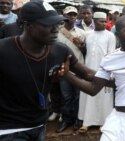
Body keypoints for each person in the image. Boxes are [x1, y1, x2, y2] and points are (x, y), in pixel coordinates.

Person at [0, 1, 95, 140]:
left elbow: (88, 75)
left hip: (39, 126)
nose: (56, 29)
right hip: (9, 130)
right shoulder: (3, 50)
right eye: (48, 24)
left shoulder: (59, 50)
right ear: (28, 25)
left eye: (57, 23)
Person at [78, 11, 116, 132]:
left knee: (104, 96)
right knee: (88, 94)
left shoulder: (110, 36)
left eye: (105, 21)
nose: (104, 23)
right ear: (94, 21)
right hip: (88, 69)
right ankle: (87, 122)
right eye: (101, 21)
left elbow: (111, 55)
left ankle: (103, 123)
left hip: (103, 70)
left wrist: (108, 72)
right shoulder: (88, 34)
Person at [56, 5, 86, 133]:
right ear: (64, 15)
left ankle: (77, 120)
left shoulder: (82, 33)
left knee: (78, 96)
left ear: (76, 16)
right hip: (64, 69)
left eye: (74, 14)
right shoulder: (57, 32)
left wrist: (81, 45)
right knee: (66, 96)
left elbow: (86, 52)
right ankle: (67, 120)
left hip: (78, 69)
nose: (71, 17)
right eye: (69, 14)